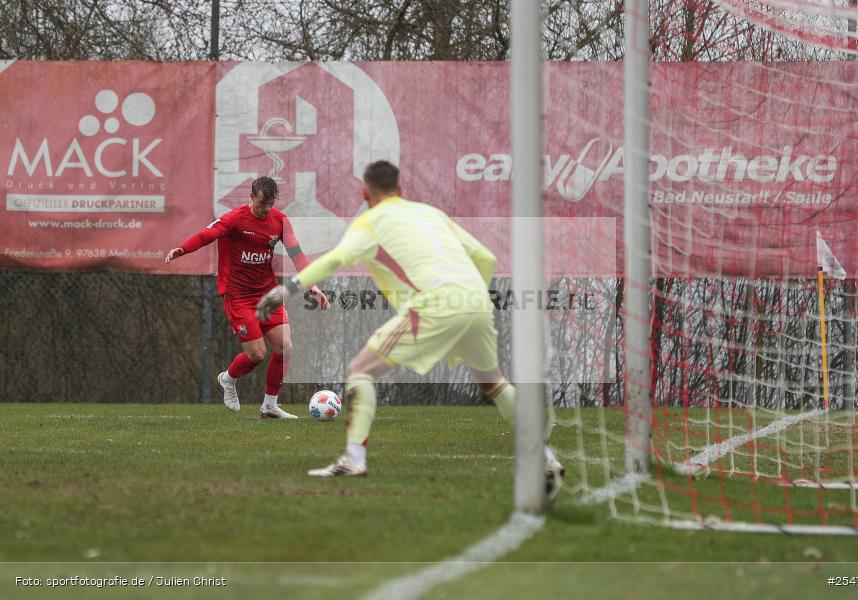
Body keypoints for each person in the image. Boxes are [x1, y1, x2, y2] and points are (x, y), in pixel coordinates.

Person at [256, 161, 563, 486]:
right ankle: (545, 458)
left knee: (360, 371)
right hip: (477, 302)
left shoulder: (369, 223)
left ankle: (354, 460)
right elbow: (487, 259)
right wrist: (470, 302)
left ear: (365, 193)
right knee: (494, 382)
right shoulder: (431, 213)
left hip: (434, 305)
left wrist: (287, 289)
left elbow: (335, 260)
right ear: (400, 189)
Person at [166, 176, 330, 418]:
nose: (267, 209)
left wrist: (312, 283)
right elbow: (207, 235)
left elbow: (296, 252)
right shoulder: (235, 219)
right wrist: (183, 249)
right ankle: (228, 378)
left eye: (271, 204)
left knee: (285, 346)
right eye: (263, 204)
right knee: (257, 354)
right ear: (252, 197)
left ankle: (270, 406)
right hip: (238, 296)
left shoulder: (280, 220)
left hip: (267, 293)